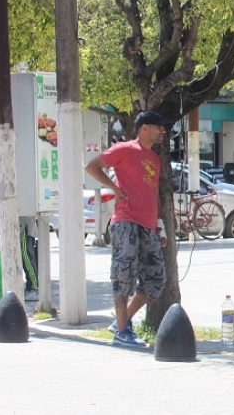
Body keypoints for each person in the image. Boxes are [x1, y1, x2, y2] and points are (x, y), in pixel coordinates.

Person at [84, 110, 170, 347]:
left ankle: (121, 323)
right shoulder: (124, 149)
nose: (162, 131)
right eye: (158, 126)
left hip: (148, 225)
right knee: (124, 274)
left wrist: (159, 225)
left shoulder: (155, 159)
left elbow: (154, 193)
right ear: (144, 128)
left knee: (155, 278)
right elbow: (92, 166)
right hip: (126, 221)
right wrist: (114, 188)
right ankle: (123, 332)